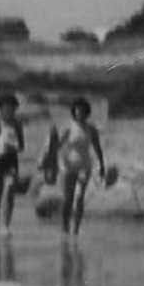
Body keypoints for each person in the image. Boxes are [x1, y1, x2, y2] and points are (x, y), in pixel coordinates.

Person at [56, 96, 107, 235]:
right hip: (68, 166)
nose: (80, 113)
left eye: (83, 111)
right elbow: (57, 146)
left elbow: (97, 148)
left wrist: (102, 165)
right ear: (74, 111)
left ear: (87, 112)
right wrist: (53, 163)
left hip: (85, 166)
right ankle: (65, 227)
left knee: (79, 197)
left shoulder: (91, 129)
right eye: (78, 110)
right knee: (67, 199)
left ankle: (76, 229)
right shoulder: (68, 128)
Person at [0, 93, 26, 232]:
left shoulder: (17, 125)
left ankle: (7, 225)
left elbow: (22, 146)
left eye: (12, 108)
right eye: (6, 107)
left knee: (9, 192)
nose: (9, 110)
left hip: (11, 162)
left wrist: (12, 147)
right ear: (1, 109)